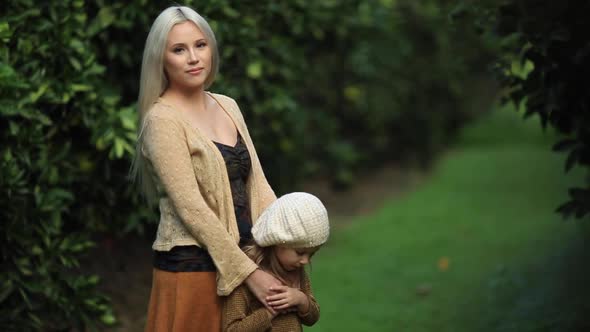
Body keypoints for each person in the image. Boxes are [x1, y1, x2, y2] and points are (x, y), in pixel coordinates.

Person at [130, 5, 281, 331]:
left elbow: (259, 183)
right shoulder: (162, 119)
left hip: (247, 259)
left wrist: (283, 245)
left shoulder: (228, 105)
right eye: (179, 50)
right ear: (161, 59)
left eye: (200, 45)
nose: (193, 57)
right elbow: (191, 208)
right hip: (194, 270)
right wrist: (248, 273)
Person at [222, 192, 329, 331]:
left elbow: (312, 318)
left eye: (312, 255)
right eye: (300, 253)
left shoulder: (296, 272)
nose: (305, 261)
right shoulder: (244, 276)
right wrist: (270, 312)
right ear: (277, 241)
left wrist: (302, 300)